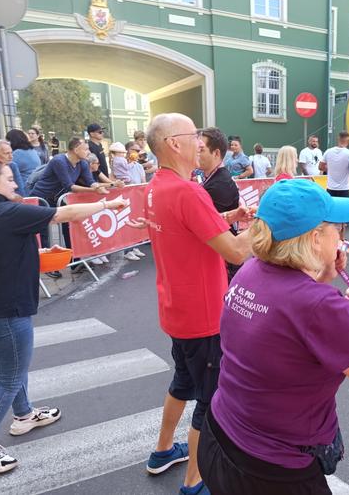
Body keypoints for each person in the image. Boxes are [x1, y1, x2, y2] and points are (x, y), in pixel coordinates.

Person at [197, 178, 349, 495]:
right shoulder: (319, 307)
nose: (340, 236)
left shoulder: (252, 269)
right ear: (315, 238)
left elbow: (288, 325)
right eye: (335, 228)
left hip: (220, 437)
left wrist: (324, 275)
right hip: (272, 472)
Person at [127, 113, 252, 495]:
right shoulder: (189, 190)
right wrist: (267, 228)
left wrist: (230, 216)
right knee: (209, 401)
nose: (201, 141)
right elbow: (234, 251)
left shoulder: (158, 187)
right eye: (193, 134)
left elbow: (193, 226)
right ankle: (194, 483)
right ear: (174, 144)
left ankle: (163, 451)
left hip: (176, 309)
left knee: (182, 382)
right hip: (203, 315)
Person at [0, 161, 128, 474]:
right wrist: (109, 202)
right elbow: (64, 213)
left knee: (14, 367)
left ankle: (24, 415)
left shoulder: (4, 216)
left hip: (5, 306)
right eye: (8, 178)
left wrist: (40, 254)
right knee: (10, 376)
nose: (16, 183)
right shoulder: (8, 212)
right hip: (8, 309)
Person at [30, 137, 110, 254]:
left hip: (57, 198)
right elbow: (70, 186)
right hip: (42, 198)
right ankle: (46, 264)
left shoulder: (83, 162)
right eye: (86, 149)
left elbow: (91, 182)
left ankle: (74, 259)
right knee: (42, 231)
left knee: (68, 226)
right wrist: (94, 190)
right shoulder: (59, 161)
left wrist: (111, 184)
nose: (88, 152)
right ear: (76, 149)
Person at [198, 127, 243, 281]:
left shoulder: (219, 184)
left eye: (201, 149)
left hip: (223, 262)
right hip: (221, 258)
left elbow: (206, 226)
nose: (196, 153)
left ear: (216, 153)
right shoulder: (213, 178)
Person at [320, 131, 349, 238]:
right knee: (342, 216)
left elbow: (321, 167)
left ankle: (328, 237)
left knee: (330, 215)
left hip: (330, 188)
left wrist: (331, 168)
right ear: (348, 140)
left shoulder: (328, 151)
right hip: (344, 189)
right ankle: (341, 239)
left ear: (338, 138)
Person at [6, 129, 40, 197]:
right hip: (35, 189)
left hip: (23, 191)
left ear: (12, 141)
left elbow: (5, 170)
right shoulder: (32, 151)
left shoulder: (17, 153)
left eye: (8, 141)